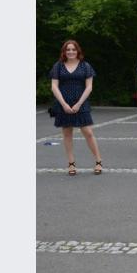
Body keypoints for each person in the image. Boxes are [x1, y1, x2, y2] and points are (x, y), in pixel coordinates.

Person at [49, 40, 103, 176]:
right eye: (68, 50)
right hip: (63, 103)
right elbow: (54, 86)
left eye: (73, 49)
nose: (71, 52)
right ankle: (71, 164)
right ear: (64, 52)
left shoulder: (85, 66)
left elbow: (89, 87)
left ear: (78, 51)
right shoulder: (58, 66)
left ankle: (98, 161)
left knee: (88, 133)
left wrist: (79, 103)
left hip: (81, 102)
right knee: (67, 134)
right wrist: (64, 104)